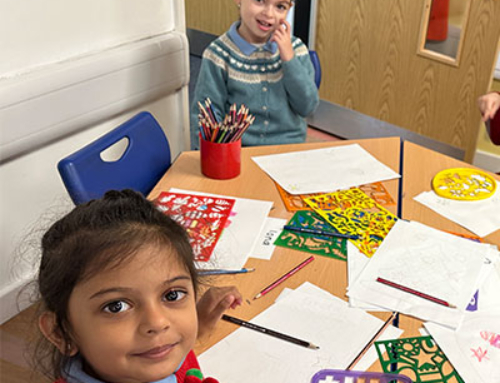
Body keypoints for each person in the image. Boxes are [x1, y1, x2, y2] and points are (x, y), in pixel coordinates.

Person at [33, 189, 242, 383]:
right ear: (60, 332)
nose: (158, 322)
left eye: (172, 295)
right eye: (116, 306)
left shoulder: (154, 351)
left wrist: (199, 327)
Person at [190, 0, 319, 149]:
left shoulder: (296, 49)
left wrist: (289, 60)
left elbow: (307, 107)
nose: (269, 14)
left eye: (280, 6)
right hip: (238, 152)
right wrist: (212, 156)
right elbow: (205, 114)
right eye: (260, 1)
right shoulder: (218, 54)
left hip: (289, 149)